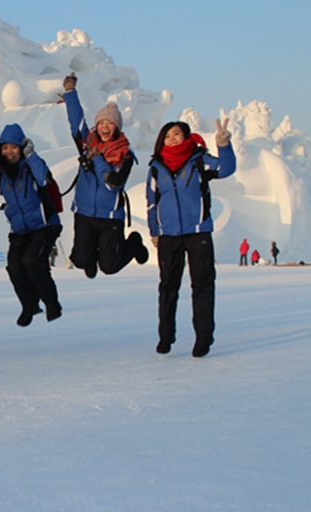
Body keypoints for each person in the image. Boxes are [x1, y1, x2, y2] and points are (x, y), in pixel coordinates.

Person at [147, 118, 236, 357]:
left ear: (186, 136)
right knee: (168, 286)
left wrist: (223, 145)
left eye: (176, 134)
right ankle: (166, 335)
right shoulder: (156, 167)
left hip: (198, 233)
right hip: (169, 235)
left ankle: (203, 337)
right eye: (167, 136)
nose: (172, 139)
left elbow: (225, 169)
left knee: (203, 284)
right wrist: (155, 231)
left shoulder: (198, 160)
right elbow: (152, 202)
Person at [0, 125, 63, 326]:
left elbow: (44, 179)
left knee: (32, 262)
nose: (9, 152)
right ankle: (30, 305)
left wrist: (31, 155)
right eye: (5, 148)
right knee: (13, 267)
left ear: (22, 148)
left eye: (14, 147)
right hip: (20, 230)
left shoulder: (31, 166)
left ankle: (52, 303)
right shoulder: (1, 172)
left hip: (44, 225)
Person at [62, 73, 149, 279]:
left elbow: (114, 183)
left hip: (109, 216)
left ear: (117, 127)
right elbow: (76, 121)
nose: (105, 127)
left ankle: (134, 244)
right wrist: (70, 92)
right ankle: (89, 259)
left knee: (109, 267)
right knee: (80, 260)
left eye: (110, 124)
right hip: (84, 212)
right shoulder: (88, 143)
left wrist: (96, 160)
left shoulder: (125, 154)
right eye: (101, 123)